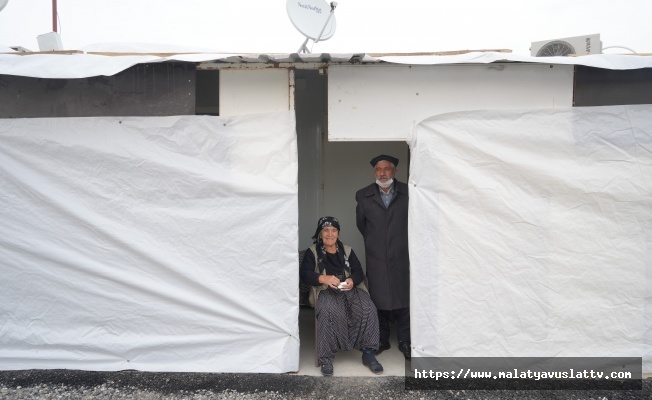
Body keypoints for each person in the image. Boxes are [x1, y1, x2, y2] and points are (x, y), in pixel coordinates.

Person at [300, 216, 383, 376]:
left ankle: (368, 352)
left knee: (368, 308)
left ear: (338, 233)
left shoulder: (347, 250)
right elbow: (305, 274)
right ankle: (326, 359)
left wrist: (352, 280)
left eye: (334, 230)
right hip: (326, 289)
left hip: (349, 288)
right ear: (320, 233)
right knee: (329, 311)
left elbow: (358, 271)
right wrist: (324, 278)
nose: (330, 234)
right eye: (326, 230)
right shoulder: (312, 252)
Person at [355, 154, 411, 359]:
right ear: (374, 173)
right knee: (378, 296)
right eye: (379, 169)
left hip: (403, 253)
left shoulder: (409, 192)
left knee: (405, 295)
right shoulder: (363, 195)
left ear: (395, 172)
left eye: (387, 169)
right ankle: (381, 339)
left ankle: (406, 341)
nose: (383, 173)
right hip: (376, 254)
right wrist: (376, 242)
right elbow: (362, 225)